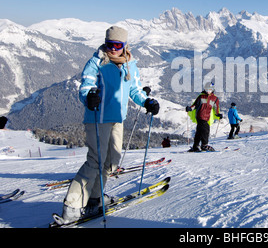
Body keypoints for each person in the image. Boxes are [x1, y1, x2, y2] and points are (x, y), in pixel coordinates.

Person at [55, 26, 160, 225]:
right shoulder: (96, 62)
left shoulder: (130, 64)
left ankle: (95, 198)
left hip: (117, 119)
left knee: (111, 161)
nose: (113, 49)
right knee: (95, 160)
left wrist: (147, 101)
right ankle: (72, 206)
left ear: (124, 46)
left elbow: (135, 90)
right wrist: (89, 97)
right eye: (109, 44)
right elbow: (86, 86)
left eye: (117, 45)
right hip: (97, 118)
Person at [186, 82, 222, 152]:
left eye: (210, 89)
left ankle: (195, 146)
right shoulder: (201, 97)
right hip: (200, 115)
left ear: (213, 89)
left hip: (207, 117)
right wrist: (190, 108)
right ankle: (204, 145)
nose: (208, 90)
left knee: (199, 131)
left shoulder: (215, 99)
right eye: (207, 89)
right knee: (206, 130)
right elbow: (195, 105)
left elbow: (216, 109)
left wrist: (218, 115)